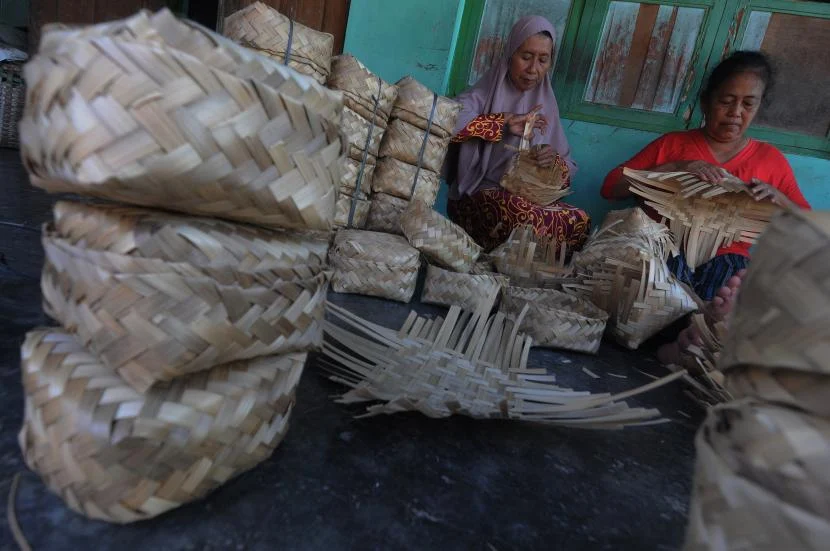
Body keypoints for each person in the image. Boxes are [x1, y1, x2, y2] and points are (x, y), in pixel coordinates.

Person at [600, 50, 811, 363]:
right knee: (653, 286)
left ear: (758, 108)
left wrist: (778, 200)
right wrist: (675, 167)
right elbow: (610, 188)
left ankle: (693, 340)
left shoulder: (770, 161)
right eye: (726, 101)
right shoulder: (673, 145)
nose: (736, 112)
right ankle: (679, 344)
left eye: (748, 104)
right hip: (666, 250)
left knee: (733, 296)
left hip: (726, 259)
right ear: (706, 102)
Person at [444, 16, 590, 252]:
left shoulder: (547, 104)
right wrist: (501, 122)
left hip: (528, 199)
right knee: (525, 218)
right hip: (477, 196)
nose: (533, 69)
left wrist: (552, 161)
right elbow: (448, 121)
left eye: (543, 60)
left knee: (579, 220)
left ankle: (532, 281)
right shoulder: (482, 95)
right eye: (526, 57)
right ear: (510, 54)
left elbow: (567, 166)